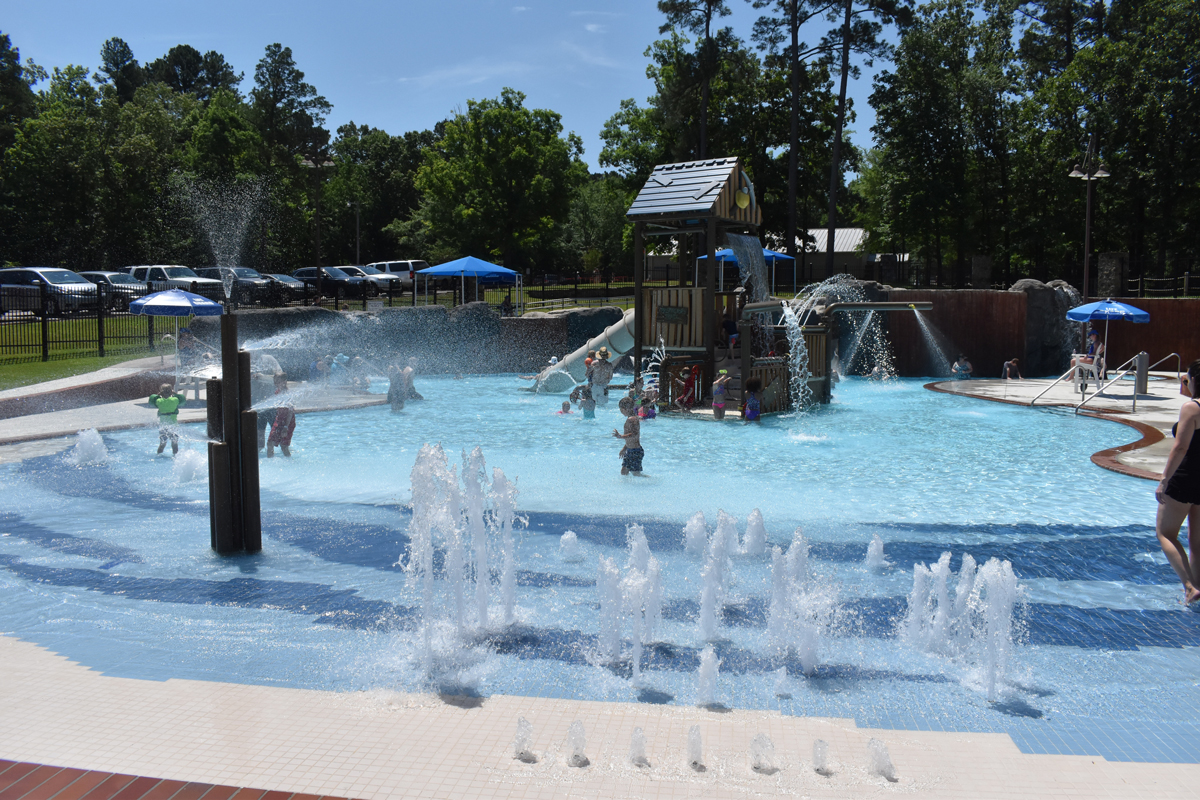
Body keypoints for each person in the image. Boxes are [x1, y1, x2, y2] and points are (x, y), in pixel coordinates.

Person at [1156, 360, 1200, 604]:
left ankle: (1189, 587)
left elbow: (1180, 447)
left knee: (1165, 533)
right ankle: (1198, 589)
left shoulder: (1191, 408)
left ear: (1194, 380)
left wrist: (1164, 479)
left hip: (1185, 479)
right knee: (1197, 540)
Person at [149, 383, 186, 455]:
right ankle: (175, 457)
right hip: (173, 426)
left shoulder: (159, 401)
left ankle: (158, 456)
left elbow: (153, 400)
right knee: (174, 445)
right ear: (171, 391)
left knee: (162, 444)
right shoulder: (175, 400)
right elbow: (182, 399)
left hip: (163, 427)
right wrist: (174, 393)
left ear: (161, 392)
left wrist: (158, 394)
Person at [612, 395, 644, 475]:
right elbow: (631, 438)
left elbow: (634, 434)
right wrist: (624, 448)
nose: (621, 411)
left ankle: (651, 481)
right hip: (631, 450)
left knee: (636, 474)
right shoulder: (632, 418)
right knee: (624, 472)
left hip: (635, 452)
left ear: (626, 409)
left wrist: (621, 436)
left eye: (621, 409)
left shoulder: (632, 419)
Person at [267, 376, 296, 458]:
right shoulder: (277, 392)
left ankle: (290, 464)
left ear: (285, 382)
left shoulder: (288, 394)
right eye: (275, 381)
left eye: (278, 381)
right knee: (270, 443)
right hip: (279, 420)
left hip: (288, 422)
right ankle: (270, 464)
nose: (276, 383)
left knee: (284, 446)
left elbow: (290, 412)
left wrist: (286, 427)